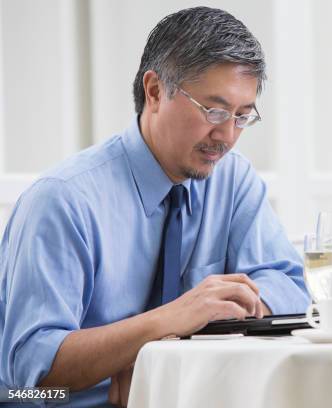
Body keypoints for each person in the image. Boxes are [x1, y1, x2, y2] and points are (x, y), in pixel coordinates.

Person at [0, 6, 310, 406]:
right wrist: (162, 325)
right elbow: (33, 369)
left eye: (242, 116)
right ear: (154, 91)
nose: (227, 135)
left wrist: (190, 331)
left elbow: (288, 285)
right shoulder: (63, 200)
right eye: (214, 111)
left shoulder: (233, 181)